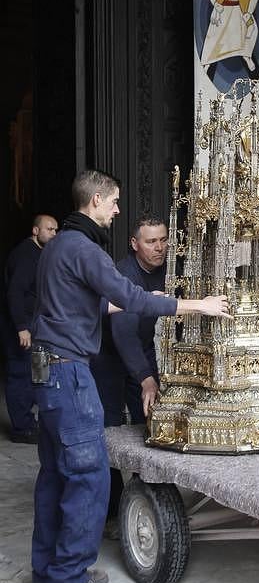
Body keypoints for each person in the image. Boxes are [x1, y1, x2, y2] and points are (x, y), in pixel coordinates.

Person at [30, 169, 230, 583]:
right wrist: (198, 305)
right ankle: (68, 579)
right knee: (90, 474)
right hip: (69, 372)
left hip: (46, 373)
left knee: (55, 475)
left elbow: (84, 300)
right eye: (115, 201)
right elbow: (133, 297)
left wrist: (113, 302)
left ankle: (48, 571)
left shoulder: (57, 246)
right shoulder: (85, 249)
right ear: (97, 199)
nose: (117, 210)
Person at [91, 214, 169, 532]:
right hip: (107, 360)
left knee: (147, 425)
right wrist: (146, 378)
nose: (159, 247)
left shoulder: (169, 271)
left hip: (142, 352)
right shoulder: (123, 275)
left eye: (164, 239)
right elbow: (123, 332)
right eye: (151, 241)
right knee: (108, 433)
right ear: (134, 244)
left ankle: (147, 497)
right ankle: (111, 513)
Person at [0, 214, 58, 443]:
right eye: (49, 229)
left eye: (56, 230)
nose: (54, 234)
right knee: (20, 375)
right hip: (21, 329)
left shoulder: (41, 253)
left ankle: (33, 422)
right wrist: (22, 328)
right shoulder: (25, 255)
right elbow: (14, 293)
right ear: (36, 231)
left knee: (38, 374)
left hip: (36, 327)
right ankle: (22, 428)